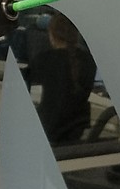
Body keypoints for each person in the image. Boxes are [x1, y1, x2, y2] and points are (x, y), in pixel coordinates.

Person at [25, 10, 96, 146]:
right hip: (76, 132)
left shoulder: (43, 61)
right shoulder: (88, 61)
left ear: (51, 35)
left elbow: (35, 100)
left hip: (48, 133)